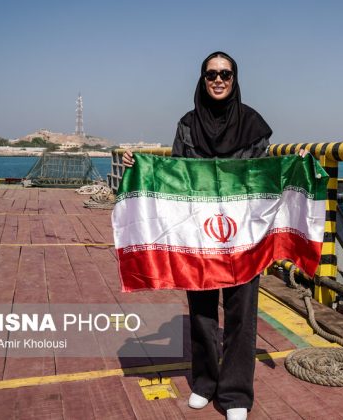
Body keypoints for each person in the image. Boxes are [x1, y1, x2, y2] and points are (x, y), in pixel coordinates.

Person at [123, 51, 272, 420]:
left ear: (235, 79)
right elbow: (174, 174)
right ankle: (205, 383)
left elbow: (262, 176)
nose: (218, 80)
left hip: (243, 235)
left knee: (241, 313)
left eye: (225, 74)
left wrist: (296, 163)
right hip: (198, 236)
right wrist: (139, 165)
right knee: (202, 312)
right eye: (211, 74)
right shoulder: (187, 126)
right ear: (202, 79)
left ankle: (236, 394)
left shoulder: (253, 125)